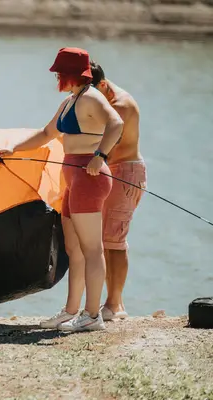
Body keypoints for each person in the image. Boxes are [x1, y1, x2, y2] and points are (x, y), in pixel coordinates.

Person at [0, 47, 124, 332]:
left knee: (92, 249)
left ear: (73, 75)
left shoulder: (92, 97)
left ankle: (92, 316)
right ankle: (71, 311)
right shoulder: (70, 101)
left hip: (90, 177)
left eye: (59, 73)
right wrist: (13, 149)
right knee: (73, 249)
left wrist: (99, 156)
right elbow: (46, 133)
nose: (56, 79)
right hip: (74, 178)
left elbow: (116, 124)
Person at [90, 60, 147, 321]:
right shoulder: (103, 100)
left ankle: (114, 305)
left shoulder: (119, 107)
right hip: (112, 172)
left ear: (102, 85)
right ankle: (114, 304)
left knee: (115, 240)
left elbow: (106, 147)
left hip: (125, 172)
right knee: (105, 240)